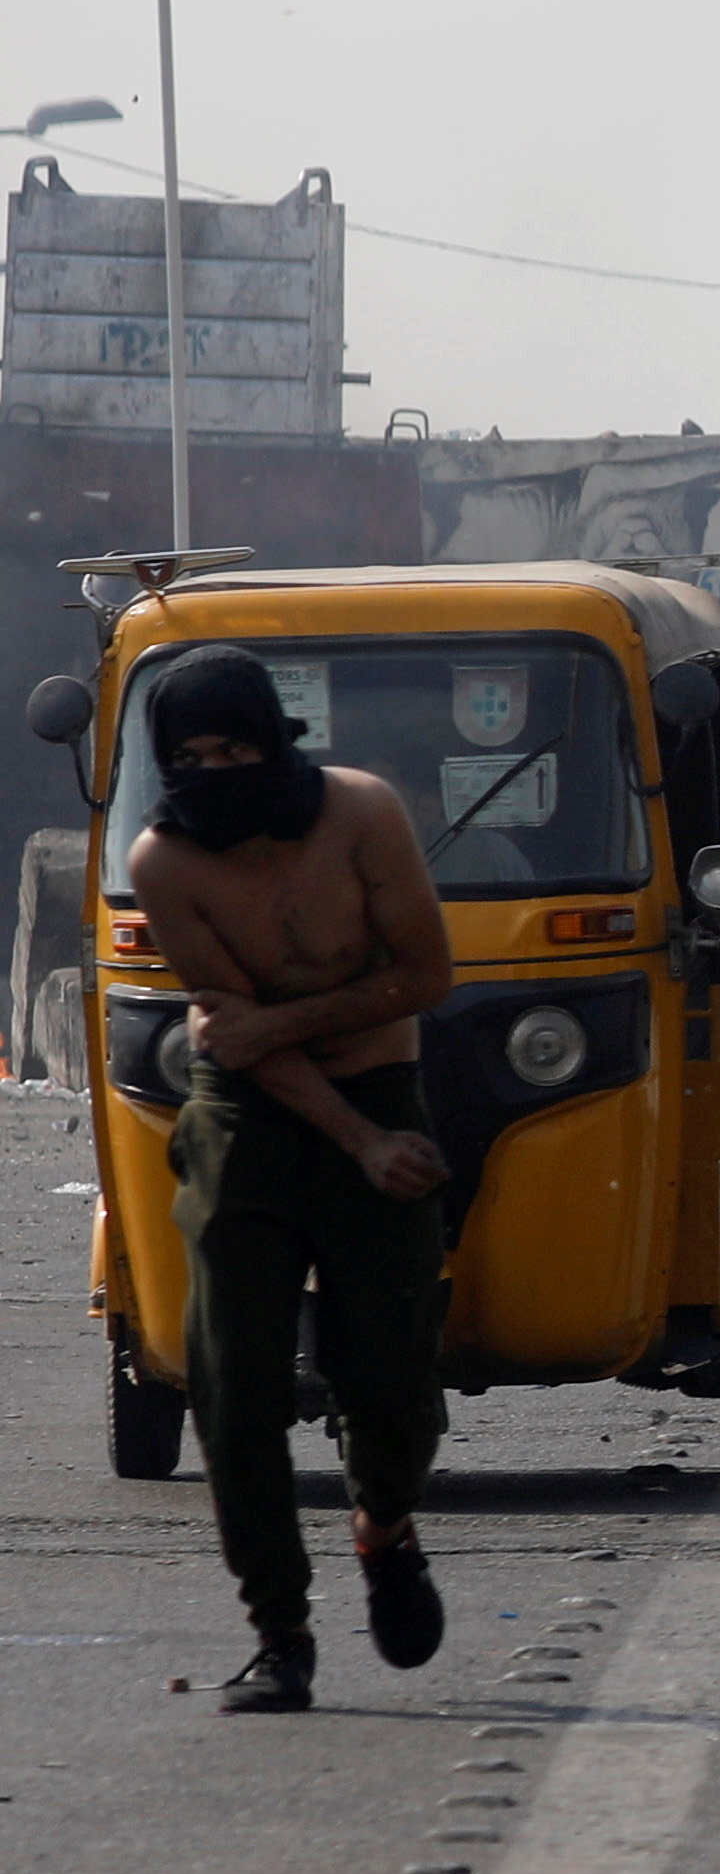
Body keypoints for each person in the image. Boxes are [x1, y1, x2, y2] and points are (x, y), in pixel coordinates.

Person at [120, 641, 457, 1709]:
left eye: (237, 747)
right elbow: (234, 1038)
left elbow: (424, 976)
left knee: (397, 1380)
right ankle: (281, 1631)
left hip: (382, 1097)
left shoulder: (361, 814)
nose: (217, 771)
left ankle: (383, 1524)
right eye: (193, 755)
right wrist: (348, 1135)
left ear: (277, 741)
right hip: (250, 1118)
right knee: (231, 1384)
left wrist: (350, 1109)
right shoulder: (163, 864)